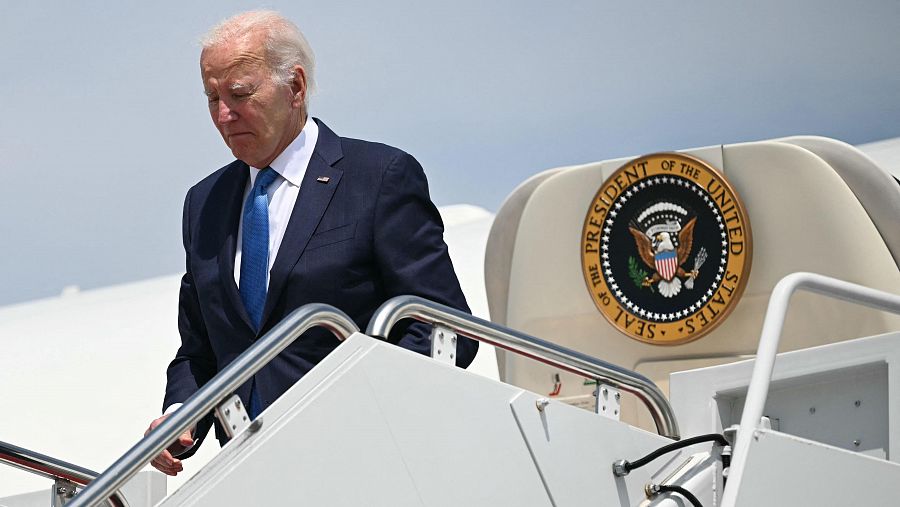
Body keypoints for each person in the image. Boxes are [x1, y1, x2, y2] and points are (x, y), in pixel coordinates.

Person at [145, 11, 477, 476]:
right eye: (212, 97)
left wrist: (361, 410)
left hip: (367, 460)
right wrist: (179, 415)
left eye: (239, 94)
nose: (224, 114)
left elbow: (446, 327)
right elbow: (199, 350)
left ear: (295, 87)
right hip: (249, 471)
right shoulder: (204, 203)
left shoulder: (378, 178)